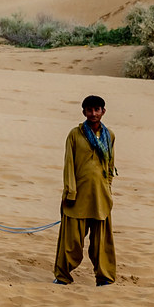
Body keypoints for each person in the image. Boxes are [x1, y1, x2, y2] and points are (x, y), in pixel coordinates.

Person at [53, 95, 116, 286]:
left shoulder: (109, 136)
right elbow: (69, 165)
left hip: (100, 197)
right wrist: (70, 192)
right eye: (89, 110)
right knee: (71, 241)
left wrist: (108, 189)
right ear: (84, 112)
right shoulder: (75, 134)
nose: (93, 113)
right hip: (77, 196)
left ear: (103, 111)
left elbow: (110, 166)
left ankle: (104, 277)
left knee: (101, 242)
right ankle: (63, 276)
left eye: (97, 109)